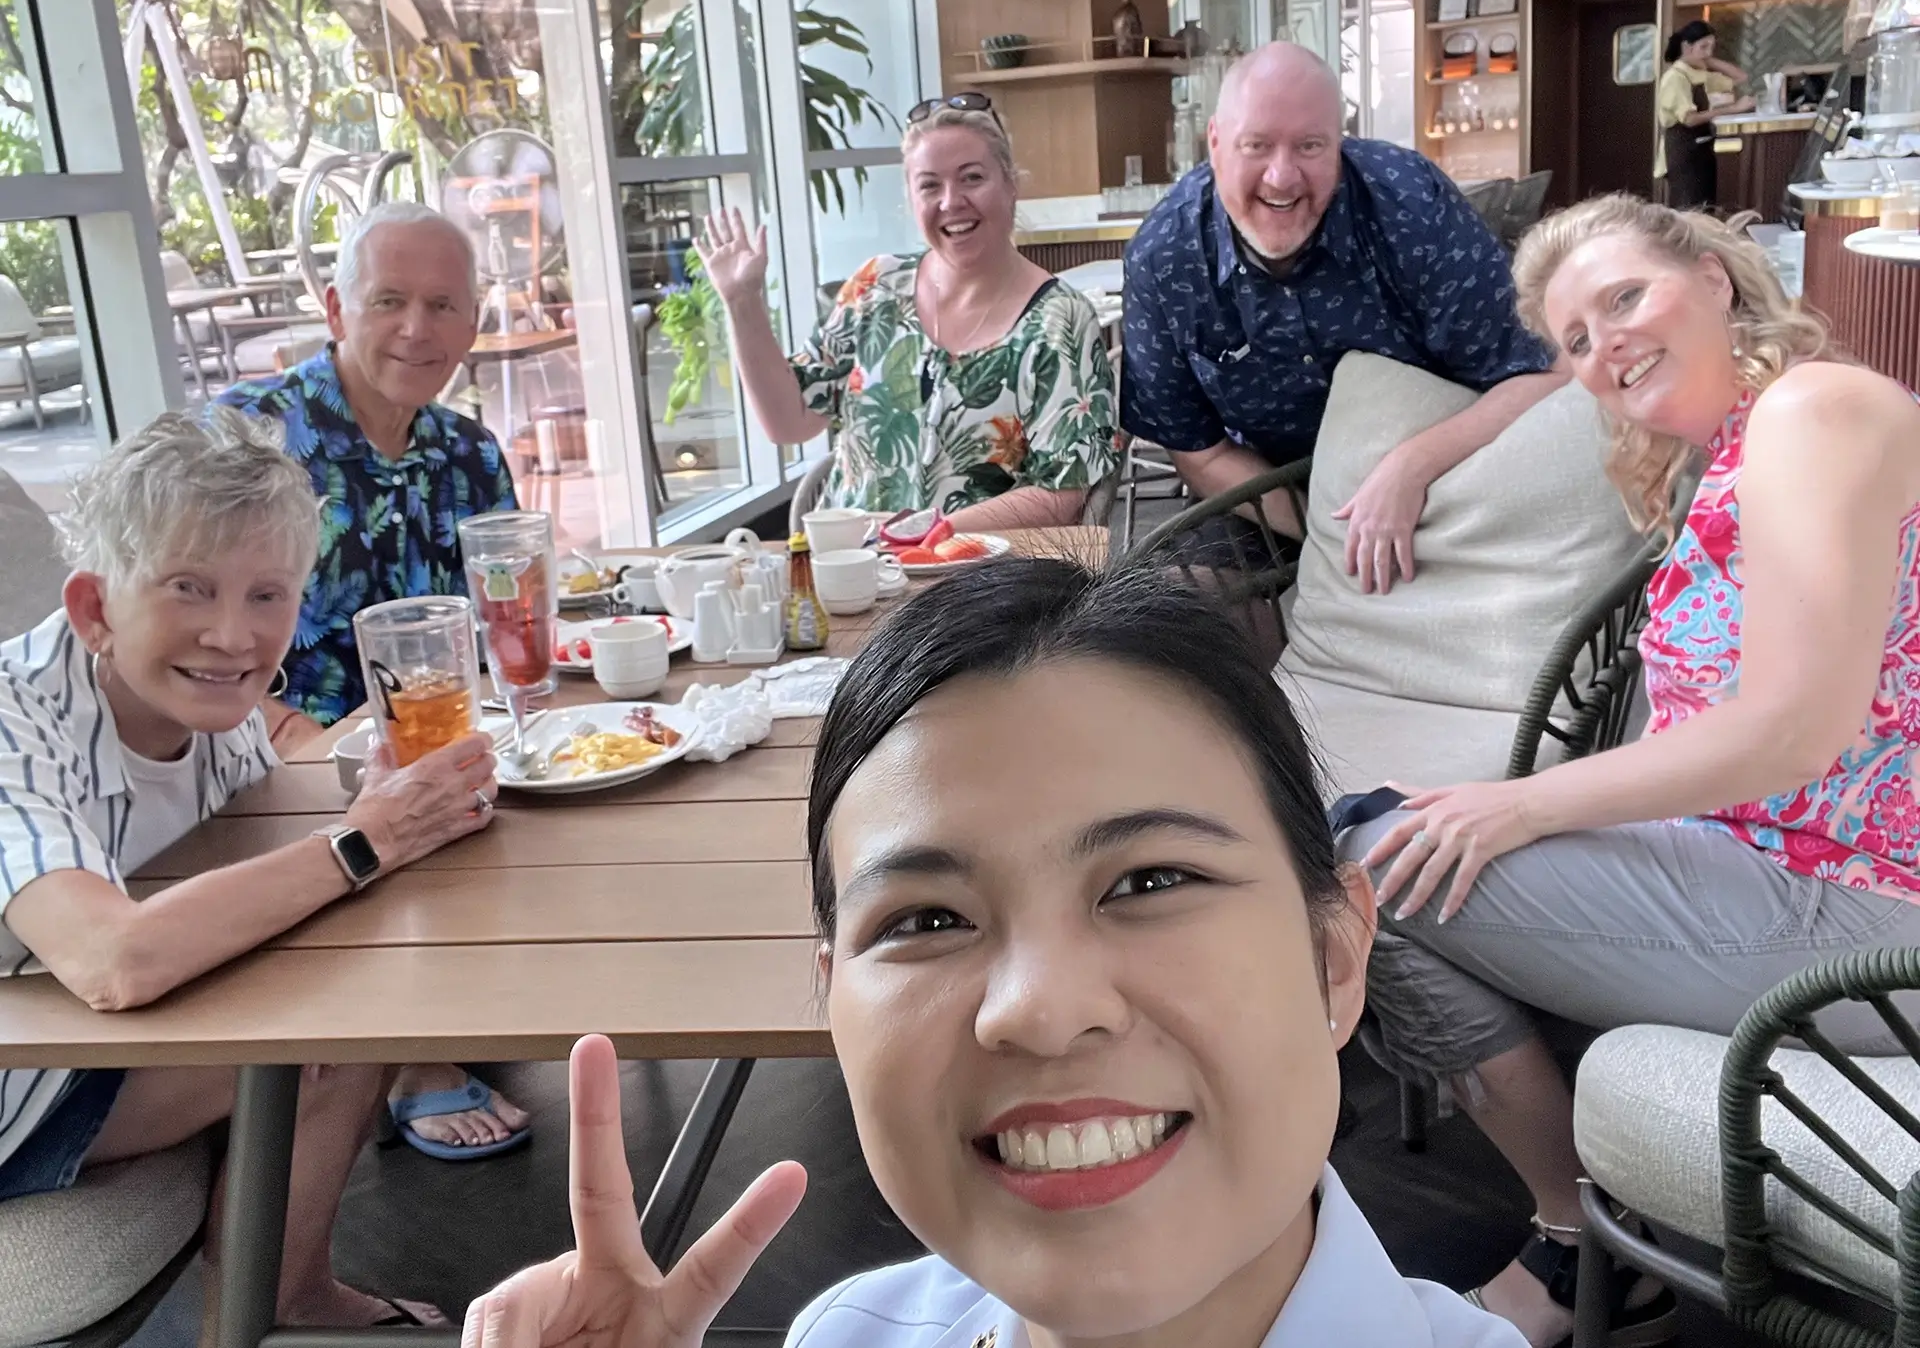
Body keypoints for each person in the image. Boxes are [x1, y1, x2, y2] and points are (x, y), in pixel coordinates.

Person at [463, 559, 1525, 1348]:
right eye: (926, 918)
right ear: (835, 1006)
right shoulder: (847, 1334)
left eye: (1150, 881)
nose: (1040, 1006)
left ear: (1334, 958)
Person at [1339, 194, 1920, 1348]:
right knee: (1384, 830)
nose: (1604, 347)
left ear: (1713, 274)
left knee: (1375, 866)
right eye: (1574, 339)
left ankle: (1572, 1239)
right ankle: (1590, 1228)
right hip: (1770, 870)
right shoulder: (1741, 451)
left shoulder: (1818, 408)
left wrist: (1517, 803)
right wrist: (1496, 813)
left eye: (1624, 297)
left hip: (1875, 916)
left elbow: (1796, 729)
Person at [0, 410, 499, 1329]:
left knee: (353, 968)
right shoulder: (14, 722)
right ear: (94, 608)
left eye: (266, 595)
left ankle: (281, 1294)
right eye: (189, 588)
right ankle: (284, 1307)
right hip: (21, 1092)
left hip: (88, 1047)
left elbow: (266, 838)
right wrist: (364, 840)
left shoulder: (215, 713)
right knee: (342, 1018)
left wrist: (379, 801)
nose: (233, 635)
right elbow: (115, 962)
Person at [222, 203, 531, 1161]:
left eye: (443, 305)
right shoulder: (248, 435)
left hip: (434, 731)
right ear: (334, 306)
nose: (416, 328)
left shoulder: (468, 452)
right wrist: (284, 736)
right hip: (275, 742)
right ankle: (414, 1049)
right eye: (389, 300)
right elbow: (180, 627)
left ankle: (460, 1003)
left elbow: (503, 605)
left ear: (472, 325)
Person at [1123, 43, 1565, 594]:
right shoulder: (1164, 258)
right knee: (1167, 608)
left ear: (1340, 143)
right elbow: (1200, 453)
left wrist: (1412, 466)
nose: (1282, 177)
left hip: (1451, 477)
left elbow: (1543, 373)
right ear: (1214, 142)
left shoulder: (1413, 208)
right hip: (1274, 499)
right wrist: (1330, 535)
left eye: (1310, 146)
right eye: (1256, 146)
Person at [695, 94, 1120, 530]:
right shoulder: (876, 287)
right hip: (853, 569)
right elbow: (789, 421)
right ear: (910, 197)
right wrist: (742, 303)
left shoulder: (1058, 320)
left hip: (979, 578)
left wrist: (929, 537)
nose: (951, 201)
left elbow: (1063, 493)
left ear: (1011, 183)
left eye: (972, 178)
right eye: (930, 185)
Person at [1656, 20, 1753, 211]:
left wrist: (1708, 59)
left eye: (1711, 47)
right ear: (1686, 46)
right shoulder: (1675, 78)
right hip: (1683, 150)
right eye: (1703, 47)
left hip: (1702, 148)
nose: (1708, 52)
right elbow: (1690, 119)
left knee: (1705, 207)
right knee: (1690, 209)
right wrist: (1733, 110)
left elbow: (1740, 77)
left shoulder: (1698, 73)